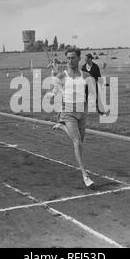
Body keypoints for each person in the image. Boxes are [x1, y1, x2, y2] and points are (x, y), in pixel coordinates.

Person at [50, 48, 97, 187]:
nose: (70, 61)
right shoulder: (61, 76)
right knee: (77, 142)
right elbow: (54, 91)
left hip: (82, 111)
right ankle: (85, 175)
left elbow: (93, 91)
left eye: (73, 58)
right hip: (68, 111)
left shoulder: (86, 75)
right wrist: (54, 78)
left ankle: (62, 126)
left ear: (78, 58)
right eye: (68, 58)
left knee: (80, 143)